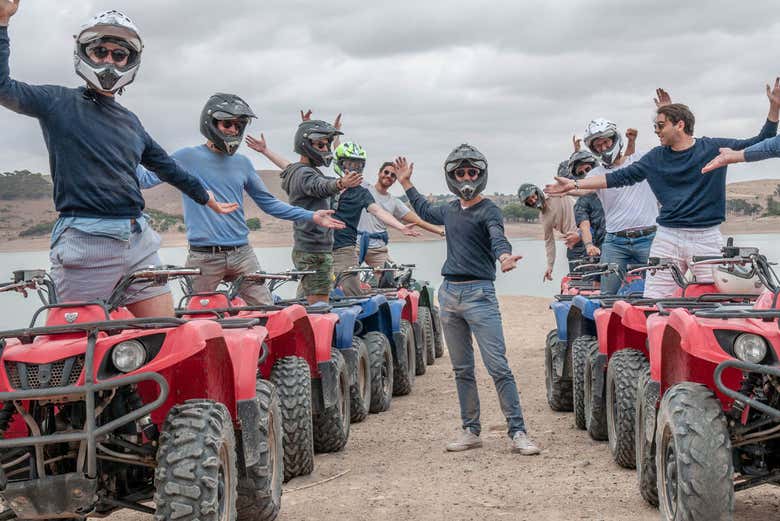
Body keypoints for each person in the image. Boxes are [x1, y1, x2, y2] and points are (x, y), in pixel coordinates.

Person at [0, 4, 237, 317]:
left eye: (118, 55)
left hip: (139, 241)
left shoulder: (130, 122)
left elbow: (166, 166)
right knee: (73, 347)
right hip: (86, 243)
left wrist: (207, 198)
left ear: (130, 61)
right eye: (100, 51)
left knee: (163, 335)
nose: (109, 61)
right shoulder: (58, 102)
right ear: (85, 53)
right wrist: (3, 22)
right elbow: (4, 88)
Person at [546, 86, 780, 298]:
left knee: (711, 298)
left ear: (679, 125)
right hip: (667, 237)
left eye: (660, 126)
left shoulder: (711, 147)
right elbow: (618, 177)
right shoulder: (655, 158)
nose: (656, 131)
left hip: (707, 236)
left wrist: (774, 108)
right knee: (654, 300)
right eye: (655, 127)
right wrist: (574, 185)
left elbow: (761, 142)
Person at [397, 145, 540, 455]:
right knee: (462, 369)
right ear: (451, 177)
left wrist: (503, 257)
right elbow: (423, 208)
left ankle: (518, 432)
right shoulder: (449, 209)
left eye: (471, 172)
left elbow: (497, 236)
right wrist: (406, 182)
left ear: (481, 175)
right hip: (449, 295)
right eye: (460, 173)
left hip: (479, 294)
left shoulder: (490, 209)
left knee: (498, 367)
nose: (466, 178)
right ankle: (471, 430)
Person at [136, 93, 345, 305]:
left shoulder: (243, 163)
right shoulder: (186, 157)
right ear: (210, 123)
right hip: (204, 256)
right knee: (196, 318)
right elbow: (145, 180)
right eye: (228, 124)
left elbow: (269, 203)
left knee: (266, 312)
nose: (234, 131)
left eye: (238, 126)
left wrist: (311, 216)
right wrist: (124, 150)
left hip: (242, 253)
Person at [269, 119, 362, 304]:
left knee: (307, 302)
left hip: (310, 248)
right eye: (320, 144)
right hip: (314, 250)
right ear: (306, 145)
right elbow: (320, 186)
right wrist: (341, 183)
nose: (325, 148)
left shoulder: (300, 171)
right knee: (319, 308)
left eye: (327, 144)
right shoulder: (305, 174)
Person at [573, 121, 659, 294]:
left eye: (606, 143)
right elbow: (581, 187)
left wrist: (667, 112)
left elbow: (670, 147)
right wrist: (564, 189)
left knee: (660, 290)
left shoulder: (641, 159)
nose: (604, 148)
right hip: (615, 242)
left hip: (648, 237)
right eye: (598, 146)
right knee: (607, 295)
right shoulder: (596, 174)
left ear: (615, 139)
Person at [328, 142, 420, 296]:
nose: (353, 169)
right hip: (320, 247)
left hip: (346, 248)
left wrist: (401, 227)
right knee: (308, 294)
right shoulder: (326, 185)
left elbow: (378, 211)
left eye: (357, 165)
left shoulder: (362, 192)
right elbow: (297, 172)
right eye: (349, 164)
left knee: (355, 291)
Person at [357, 161, 444, 269]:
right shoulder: (364, 188)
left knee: (390, 279)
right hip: (356, 244)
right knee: (347, 277)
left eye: (393, 175)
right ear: (379, 173)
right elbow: (345, 167)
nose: (389, 176)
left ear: (395, 180)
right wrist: (333, 143)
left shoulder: (394, 202)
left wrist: (441, 232)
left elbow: (418, 221)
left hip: (377, 249)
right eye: (386, 172)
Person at [517, 181, 580, 279]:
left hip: (587, 231)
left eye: (533, 197)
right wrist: (550, 266)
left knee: (595, 277)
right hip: (573, 244)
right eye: (529, 201)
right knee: (577, 280)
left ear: (538, 192)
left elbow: (567, 185)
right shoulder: (543, 217)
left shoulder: (555, 194)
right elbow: (549, 242)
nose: (533, 201)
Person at [564, 150, 606, 258]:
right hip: (599, 250)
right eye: (581, 173)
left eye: (587, 169)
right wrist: (589, 245)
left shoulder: (612, 186)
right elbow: (585, 226)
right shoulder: (581, 203)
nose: (586, 174)